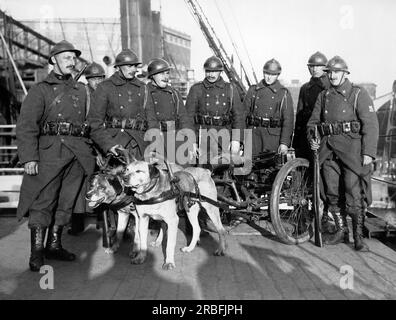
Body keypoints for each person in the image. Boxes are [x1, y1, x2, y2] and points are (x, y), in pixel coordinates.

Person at [16, 40, 96, 271]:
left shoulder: (83, 91)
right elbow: (27, 125)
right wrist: (29, 158)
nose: (71, 62)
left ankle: (54, 245)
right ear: (53, 60)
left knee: (66, 202)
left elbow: (92, 123)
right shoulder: (40, 90)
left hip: (77, 155)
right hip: (50, 153)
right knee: (43, 202)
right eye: (66, 58)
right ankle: (37, 252)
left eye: (73, 58)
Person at [307, 56, 379, 250]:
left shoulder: (358, 94)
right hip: (328, 152)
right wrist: (313, 139)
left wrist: (368, 153)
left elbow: (371, 126)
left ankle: (358, 237)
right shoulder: (324, 96)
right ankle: (341, 231)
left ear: (345, 74)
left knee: (352, 192)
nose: (332, 76)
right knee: (331, 193)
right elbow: (313, 123)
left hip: (352, 152)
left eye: (336, 72)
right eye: (329, 72)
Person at [68, 61, 107, 235]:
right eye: (94, 79)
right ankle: (76, 222)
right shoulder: (83, 95)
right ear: (87, 79)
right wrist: (95, 151)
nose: (97, 82)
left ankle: (102, 219)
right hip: (85, 145)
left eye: (100, 78)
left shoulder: (104, 95)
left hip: (102, 145)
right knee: (77, 185)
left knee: (103, 184)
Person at [88, 49, 148, 159]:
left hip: (140, 146)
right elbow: (95, 123)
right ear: (118, 67)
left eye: (135, 66)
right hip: (115, 146)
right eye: (129, 66)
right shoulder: (105, 87)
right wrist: (109, 145)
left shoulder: (143, 87)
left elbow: (151, 120)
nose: (134, 69)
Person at [185, 56, 245, 166]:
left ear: (220, 72)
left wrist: (236, 140)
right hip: (203, 137)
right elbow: (188, 118)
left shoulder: (230, 89)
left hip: (224, 137)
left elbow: (238, 116)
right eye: (208, 71)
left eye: (214, 71)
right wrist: (191, 141)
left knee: (225, 170)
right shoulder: (196, 89)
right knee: (202, 171)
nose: (211, 75)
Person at [145, 58, 194, 165]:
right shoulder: (145, 92)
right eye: (161, 74)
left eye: (167, 73)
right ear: (152, 75)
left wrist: (190, 142)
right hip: (156, 140)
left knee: (182, 173)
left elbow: (183, 118)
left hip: (176, 139)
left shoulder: (174, 93)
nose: (166, 77)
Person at [244, 58, 294, 156]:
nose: (269, 77)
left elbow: (288, 121)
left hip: (272, 138)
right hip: (253, 136)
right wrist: (239, 140)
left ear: (278, 75)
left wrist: (284, 143)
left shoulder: (283, 93)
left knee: (269, 168)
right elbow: (242, 116)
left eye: (273, 75)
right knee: (249, 166)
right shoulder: (253, 90)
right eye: (267, 73)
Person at [293, 52, 330, 160]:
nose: (314, 69)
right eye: (312, 66)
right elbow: (300, 117)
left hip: (323, 136)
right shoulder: (305, 88)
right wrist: (296, 143)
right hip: (306, 136)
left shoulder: (330, 87)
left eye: (318, 66)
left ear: (325, 67)